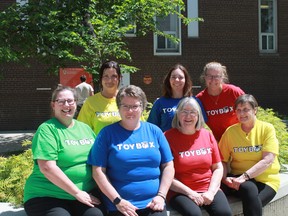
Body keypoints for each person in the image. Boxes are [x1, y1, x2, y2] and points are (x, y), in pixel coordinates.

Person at [88, 85, 175, 216]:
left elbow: (168, 165)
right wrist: (118, 201)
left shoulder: (154, 131)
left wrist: (161, 196)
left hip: (154, 204)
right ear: (119, 107)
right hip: (120, 206)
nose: (130, 111)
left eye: (135, 106)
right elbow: (98, 171)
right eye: (125, 106)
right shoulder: (106, 134)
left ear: (142, 107)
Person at [23, 86, 104, 216]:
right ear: (53, 105)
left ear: (76, 103)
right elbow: (47, 168)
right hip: (47, 195)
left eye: (70, 101)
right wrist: (77, 193)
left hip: (84, 194)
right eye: (61, 101)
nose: (66, 105)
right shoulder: (47, 129)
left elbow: (98, 160)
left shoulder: (85, 129)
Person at [164, 97, 232, 216]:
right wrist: (190, 193)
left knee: (224, 213)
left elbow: (218, 168)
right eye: (184, 111)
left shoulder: (207, 135)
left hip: (208, 187)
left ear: (198, 115)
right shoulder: (167, 137)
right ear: (178, 114)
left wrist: (211, 191)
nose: (188, 116)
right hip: (180, 191)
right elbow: (166, 173)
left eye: (192, 112)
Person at [219, 94, 280, 216]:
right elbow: (222, 160)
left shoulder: (267, 129)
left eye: (246, 109)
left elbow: (268, 160)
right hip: (238, 180)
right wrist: (224, 178)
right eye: (239, 110)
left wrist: (245, 176)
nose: (242, 114)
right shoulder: (230, 132)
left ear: (255, 110)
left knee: (252, 201)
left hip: (266, 181)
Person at [148, 64, 207, 132]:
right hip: (166, 142)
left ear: (186, 80)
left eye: (180, 77)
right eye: (173, 77)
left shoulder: (195, 102)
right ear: (169, 80)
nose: (176, 80)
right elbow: (151, 128)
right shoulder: (160, 103)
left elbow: (201, 126)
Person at [196, 61, 245, 141]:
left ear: (222, 77)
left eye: (217, 76)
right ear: (204, 77)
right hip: (220, 142)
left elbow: (250, 112)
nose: (213, 79)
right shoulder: (200, 99)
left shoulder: (234, 91)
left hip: (240, 139)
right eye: (209, 76)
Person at [77, 60, 122, 135]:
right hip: (100, 146)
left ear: (119, 78)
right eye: (106, 76)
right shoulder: (90, 102)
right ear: (101, 78)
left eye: (114, 76)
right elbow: (82, 132)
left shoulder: (127, 100)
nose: (109, 80)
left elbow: (138, 128)